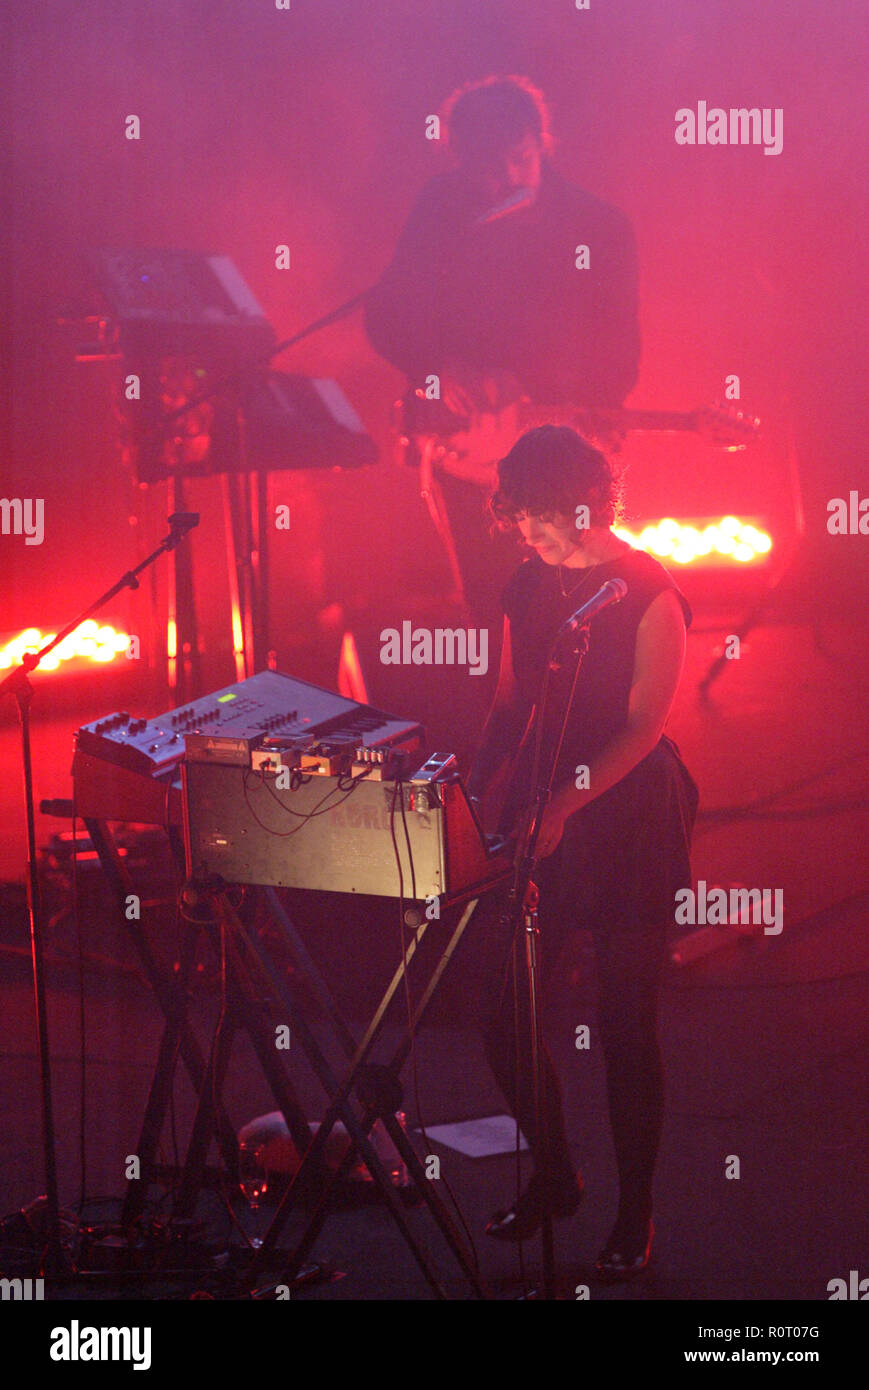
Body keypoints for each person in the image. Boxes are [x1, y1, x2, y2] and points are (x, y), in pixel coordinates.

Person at [465, 424, 698, 1281]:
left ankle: (634, 1212)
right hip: (542, 807)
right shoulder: (527, 585)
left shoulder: (648, 592)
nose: (524, 531)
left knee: (625, 1022)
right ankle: (557, 1173)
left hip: (628, 813)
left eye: (537, 514)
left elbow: (643, 727)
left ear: (584, 503)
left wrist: (566, 802)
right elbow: (509, 701)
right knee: (501, 1010)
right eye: (515, 515)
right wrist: (469, 785)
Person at [363, 75, 641, 621]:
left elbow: (617, 354)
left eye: (520, 159)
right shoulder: (442, 209)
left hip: (561, 455)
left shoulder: (599, 226)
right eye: (487, 168)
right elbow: (387, 314)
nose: (508, 179)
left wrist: (533, 382)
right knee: (491, 610)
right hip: (466, 457)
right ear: (460, 160)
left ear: (542, 144)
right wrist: (440, 368)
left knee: (569, 609)